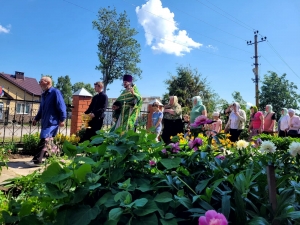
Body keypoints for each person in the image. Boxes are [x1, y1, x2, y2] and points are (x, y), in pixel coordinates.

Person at [29, 76, 66, 165]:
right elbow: (41, 109)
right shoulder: (44, 95)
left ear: (48, 83)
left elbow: (62, 106)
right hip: (45, 122)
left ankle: (37, 160)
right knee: (49, 141)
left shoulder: (55, 92)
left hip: (52, 122)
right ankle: (56, 158)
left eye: (41, 81)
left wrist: (62, 119)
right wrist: (36, 118)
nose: (39, 83)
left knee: (44, 139)